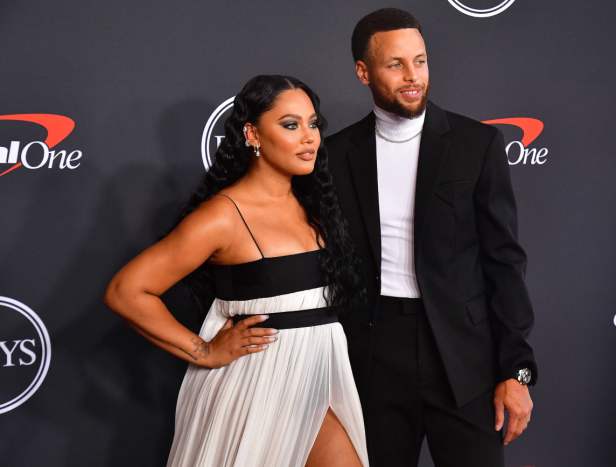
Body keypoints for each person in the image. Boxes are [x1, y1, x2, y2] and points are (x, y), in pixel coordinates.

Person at [103, 75, 369, 467]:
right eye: (290, 125)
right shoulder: (222, 216)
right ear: (252, 133)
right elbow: (126, 291)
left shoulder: (315, 205)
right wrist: (204, 350)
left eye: (313, 124)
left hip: (320, 373)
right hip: (255, 383)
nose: (309, 137)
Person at [325, 8, 538, 467]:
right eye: (395, 64)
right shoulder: (335, 155)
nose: (412, 76)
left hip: (464, 357)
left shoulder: (475, 144)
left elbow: (505, 265)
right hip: (374, 355)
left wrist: (517, 372)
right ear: (364, 72)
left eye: (420, 61)